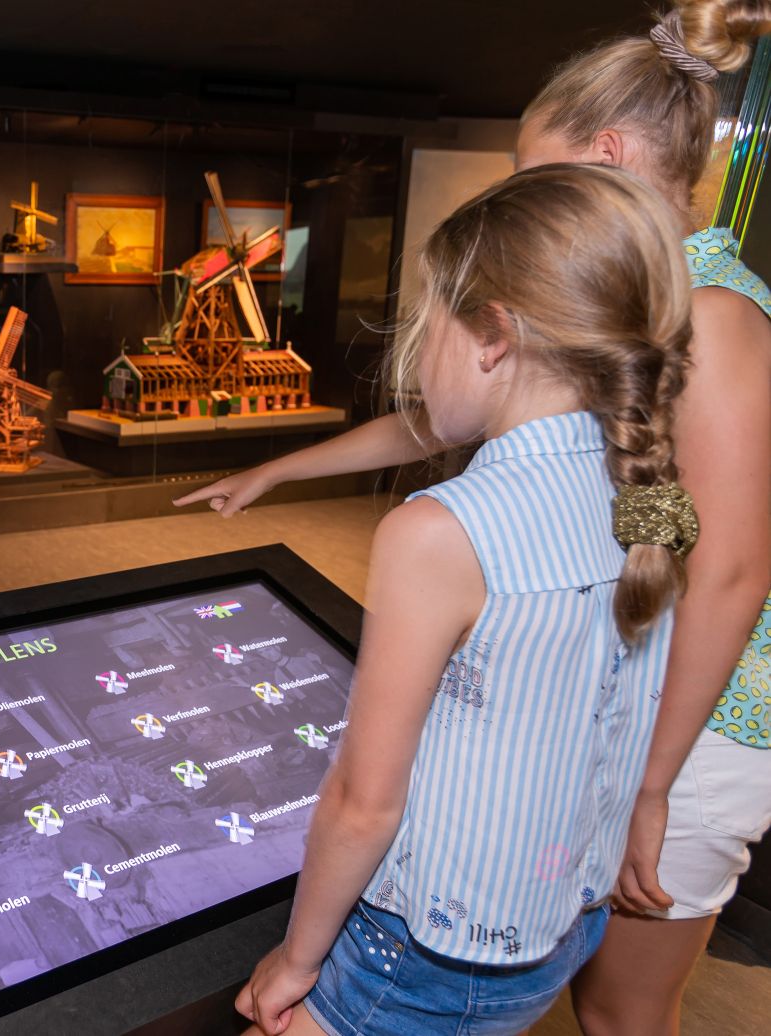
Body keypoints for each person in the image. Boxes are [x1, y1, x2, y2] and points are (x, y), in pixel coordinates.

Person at [178, 5, 771, 1033]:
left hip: (695, 719)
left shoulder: (711, 312)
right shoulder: (619, 310)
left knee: (625, 1009)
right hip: (604, 732)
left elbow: (721, 573)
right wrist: (281, 465)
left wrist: (646, 784)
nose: (519, 199)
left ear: (606, 157)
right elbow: (484, 432)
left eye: (533, 175)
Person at [233, 163, 696, 1036]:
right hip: (564, 922)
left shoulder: (437, 531)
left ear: (491, 336)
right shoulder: (655, 491)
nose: (418, 349)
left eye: (426, 321)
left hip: (420, 960)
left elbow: (364, 802)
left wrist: (295, 963)